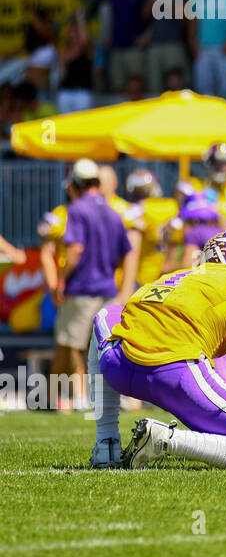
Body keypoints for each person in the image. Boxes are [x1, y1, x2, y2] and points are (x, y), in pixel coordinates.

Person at [88, 229, 226, 470]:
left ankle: (106, 443)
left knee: (106, 315)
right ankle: (167, 441)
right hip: (177, 375)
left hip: (119, 363)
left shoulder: (177, 276)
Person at [49, 160, 137, 413]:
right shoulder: (112, 212)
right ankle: (109, 396)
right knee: (107, 347)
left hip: (81, 289)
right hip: (108, 290)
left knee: (74, 345)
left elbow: (75, 249)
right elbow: (126, 253)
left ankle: (80, 396)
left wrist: (62, 278)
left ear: (75, 184)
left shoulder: (76, 209)